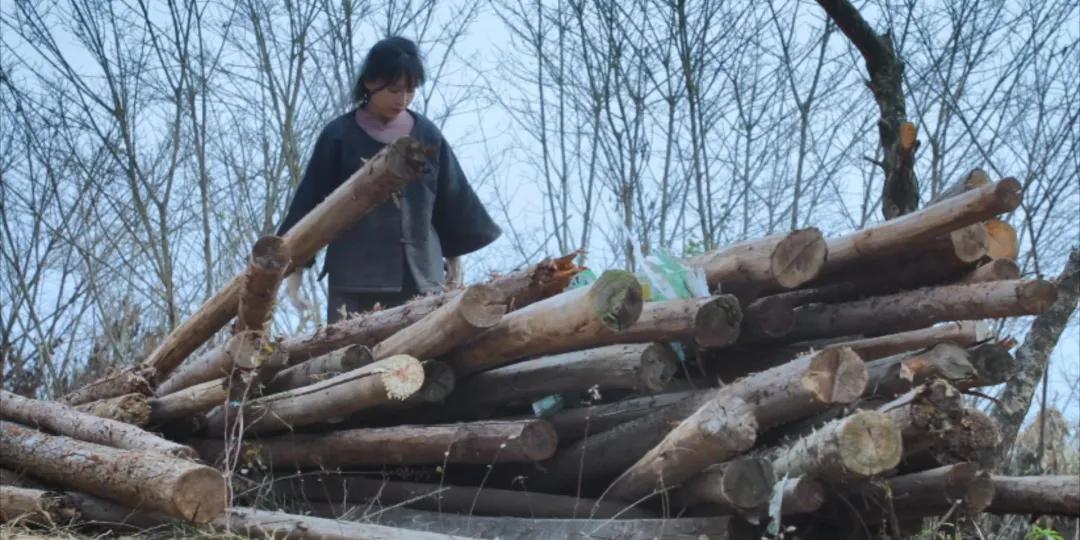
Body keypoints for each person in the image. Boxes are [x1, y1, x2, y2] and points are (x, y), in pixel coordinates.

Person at [276, 36, 501, 323]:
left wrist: (455, 258)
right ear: (370, 82)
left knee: (426, 359)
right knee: (354, 359)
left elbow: (451, 201)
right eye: (394, 89)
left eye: (411, 90)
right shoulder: (339, 136)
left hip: (421, 277)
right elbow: (309, 203)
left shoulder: (428, 135)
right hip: (356, 279)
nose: (403, 99)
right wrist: (294, 269)